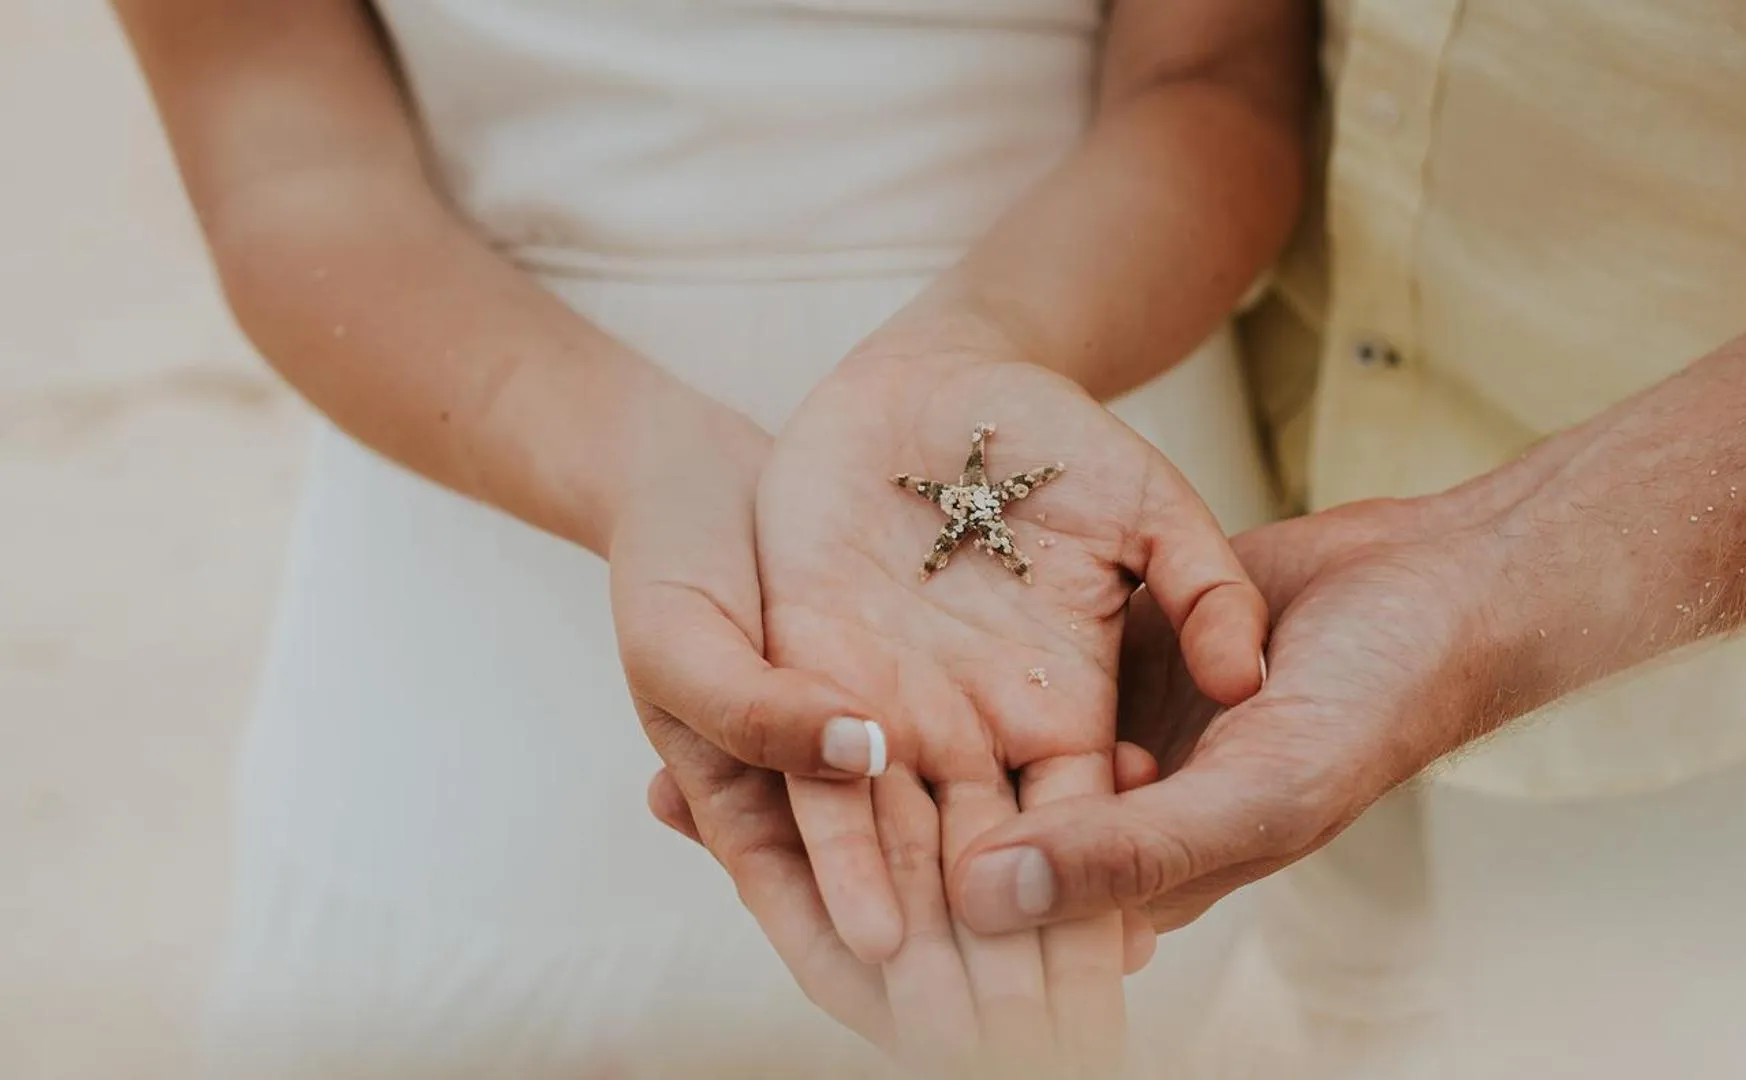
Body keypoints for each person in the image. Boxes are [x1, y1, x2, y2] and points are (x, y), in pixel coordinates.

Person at [113, 0, 1312, 1075]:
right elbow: (284, 169)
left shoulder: (995, 497)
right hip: (488, 458)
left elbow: (1218, 81)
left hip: (1056, 452)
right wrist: (649, 474)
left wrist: (980, 353)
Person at [947, 3, 1746, 1076]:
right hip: (1271, 532)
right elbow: (1210, 63)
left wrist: (1499, 564)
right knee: (1361, 1012)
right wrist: (963, 360)